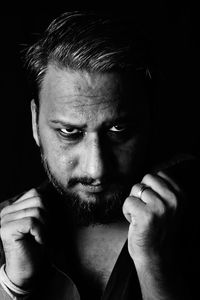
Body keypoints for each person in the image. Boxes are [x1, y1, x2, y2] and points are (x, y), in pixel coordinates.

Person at [0, 11, 199, 300]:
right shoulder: (6, 236)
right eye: (69, 131)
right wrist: (13, 288)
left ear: (151, 119)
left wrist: (154, 267)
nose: (97, 168)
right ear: (35, 123)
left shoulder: (197, 214)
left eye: (118, 129)